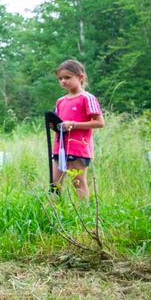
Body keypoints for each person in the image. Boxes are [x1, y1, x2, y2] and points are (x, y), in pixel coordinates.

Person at [51, 59, 104, 199]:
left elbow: (99, 122)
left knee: (78, 183)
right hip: (59, 148)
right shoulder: (60, 101)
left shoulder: (87, 98)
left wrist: (74, 124)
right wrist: (54, 126)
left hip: (79, 148)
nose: (63, 81)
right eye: (60, 78)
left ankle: (84, 217)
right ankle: (53, 216)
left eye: (67, 77)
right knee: (55, 184)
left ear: (80, 77)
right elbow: (60, 123)